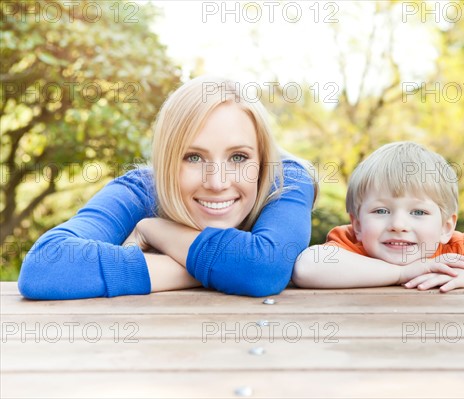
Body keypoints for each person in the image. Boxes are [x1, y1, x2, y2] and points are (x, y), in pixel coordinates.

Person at [18, 76, 315, 300]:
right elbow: (46, 265)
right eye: (193, 157)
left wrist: (156, 231)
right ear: (166, 160)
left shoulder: (286, 180)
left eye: (238, 157)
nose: (217, 182)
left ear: (263, 159)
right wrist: (221, 269)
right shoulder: (142, 188)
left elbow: (264, 268)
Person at [292, 141, 464, 292]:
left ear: (446, 226)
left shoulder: (455, 254)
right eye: (381, 211)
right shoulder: (352, 246)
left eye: (418, 212)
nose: (399, 225)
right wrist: (403, 272)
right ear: (357, 224)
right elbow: (307, 268)